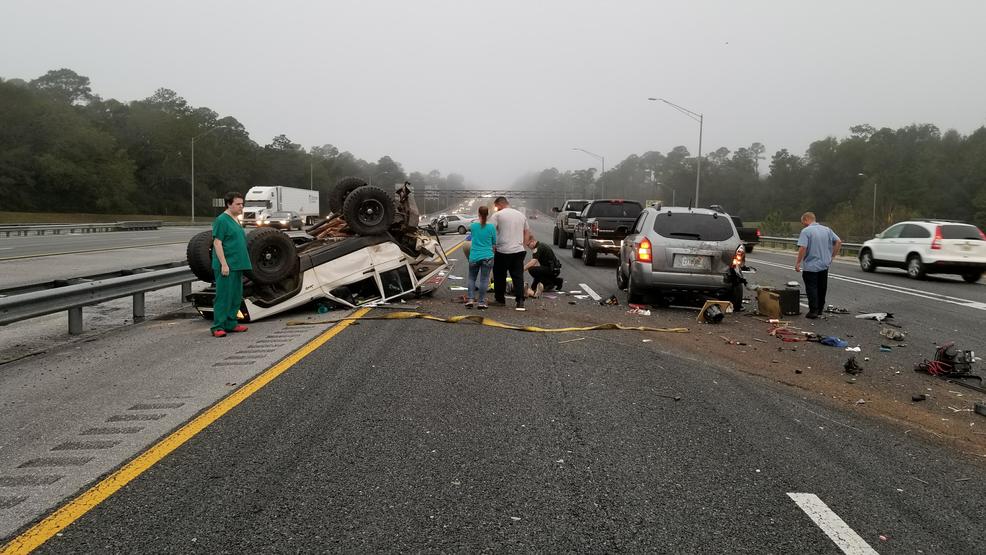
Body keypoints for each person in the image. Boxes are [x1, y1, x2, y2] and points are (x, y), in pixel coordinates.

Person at [211, 192, 253, 337]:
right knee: (223, 296)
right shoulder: (222, 220)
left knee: (236, 295)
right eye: (238, 204)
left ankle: (231, 323)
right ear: (229, 204)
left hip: (237, 264)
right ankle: (218, 326)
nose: (241, 207)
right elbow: (217, 242)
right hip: (226, 265)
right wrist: (224, 264)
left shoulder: (236, 219)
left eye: (242, 204)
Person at [794, 211, 842, 319]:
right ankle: (820, 309)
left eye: (803, 222)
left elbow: (803, 248)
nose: (803, 225)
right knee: (822, 287)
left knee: (812, 288)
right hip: (824, 264)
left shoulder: (806, 231)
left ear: (806, 219)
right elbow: (838, 242)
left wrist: (798, 263)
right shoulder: (827, 230)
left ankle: (813, 311)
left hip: (811, 266)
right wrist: (832, 256)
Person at [489, 196, 531, 311]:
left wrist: (492, 247)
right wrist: (524, 245)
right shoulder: (521, 215)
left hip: (502, 250)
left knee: (499, 276)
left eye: (496, 206)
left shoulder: (497, 215)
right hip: (518, 250)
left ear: (499, 204)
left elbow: (491, 232)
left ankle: (500, 299)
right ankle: (520, 301)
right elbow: (527, 231)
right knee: (518, 276)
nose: (496, 209)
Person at [466, 206, 496, 309]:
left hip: (474, 256)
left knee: (471, 278)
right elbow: (494, 243)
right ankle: (481, 302)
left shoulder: (473, 226)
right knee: (484, 280)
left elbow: (471, 237)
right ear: (488, 214)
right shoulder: (491, 227)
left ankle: (470, 300)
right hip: (487, 256)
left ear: (478, 213)